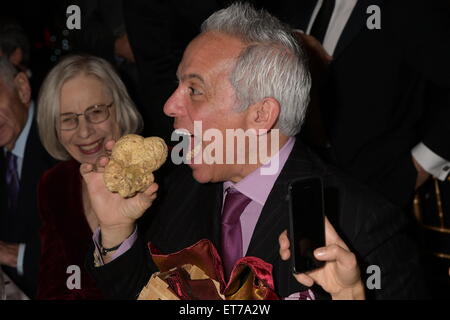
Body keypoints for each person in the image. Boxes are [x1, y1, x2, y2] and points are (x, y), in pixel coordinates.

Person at [82, 3, 427, 299]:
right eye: (177, 85)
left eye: (195, 90)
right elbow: (140, 291)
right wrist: (116, 232)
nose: (170, 105)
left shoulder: (361, 227)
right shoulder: (177, 192)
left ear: (261, 114)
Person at [35, 55, 143, 299]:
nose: (84, 131)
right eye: (68, 119)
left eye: (96, 112)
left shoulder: (157, 176)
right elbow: (52, 282)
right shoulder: (55, 184)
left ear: (120, 108)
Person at [0, 57, 55, 299]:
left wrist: (15, 255)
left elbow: (83, 247)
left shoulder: (64, 141)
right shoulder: (7, 139)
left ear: (22, 88)